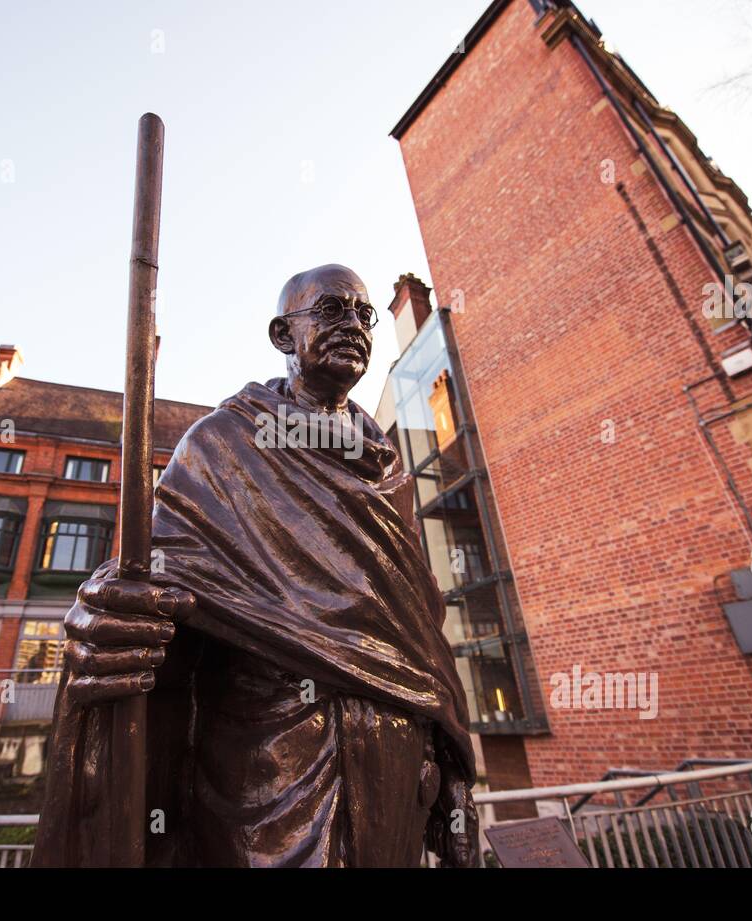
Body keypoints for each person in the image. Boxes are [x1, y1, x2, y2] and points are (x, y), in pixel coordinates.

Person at [32, 264, 479, 867]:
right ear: (281, 334)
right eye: (330, 309)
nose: (352, 324)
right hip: (269, 763)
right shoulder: (221, 446)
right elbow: (158, 579)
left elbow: (420, 631)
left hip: (392, 760)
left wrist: (447, 751)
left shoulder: (389, 471)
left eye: (362, 313)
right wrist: (110, 610)